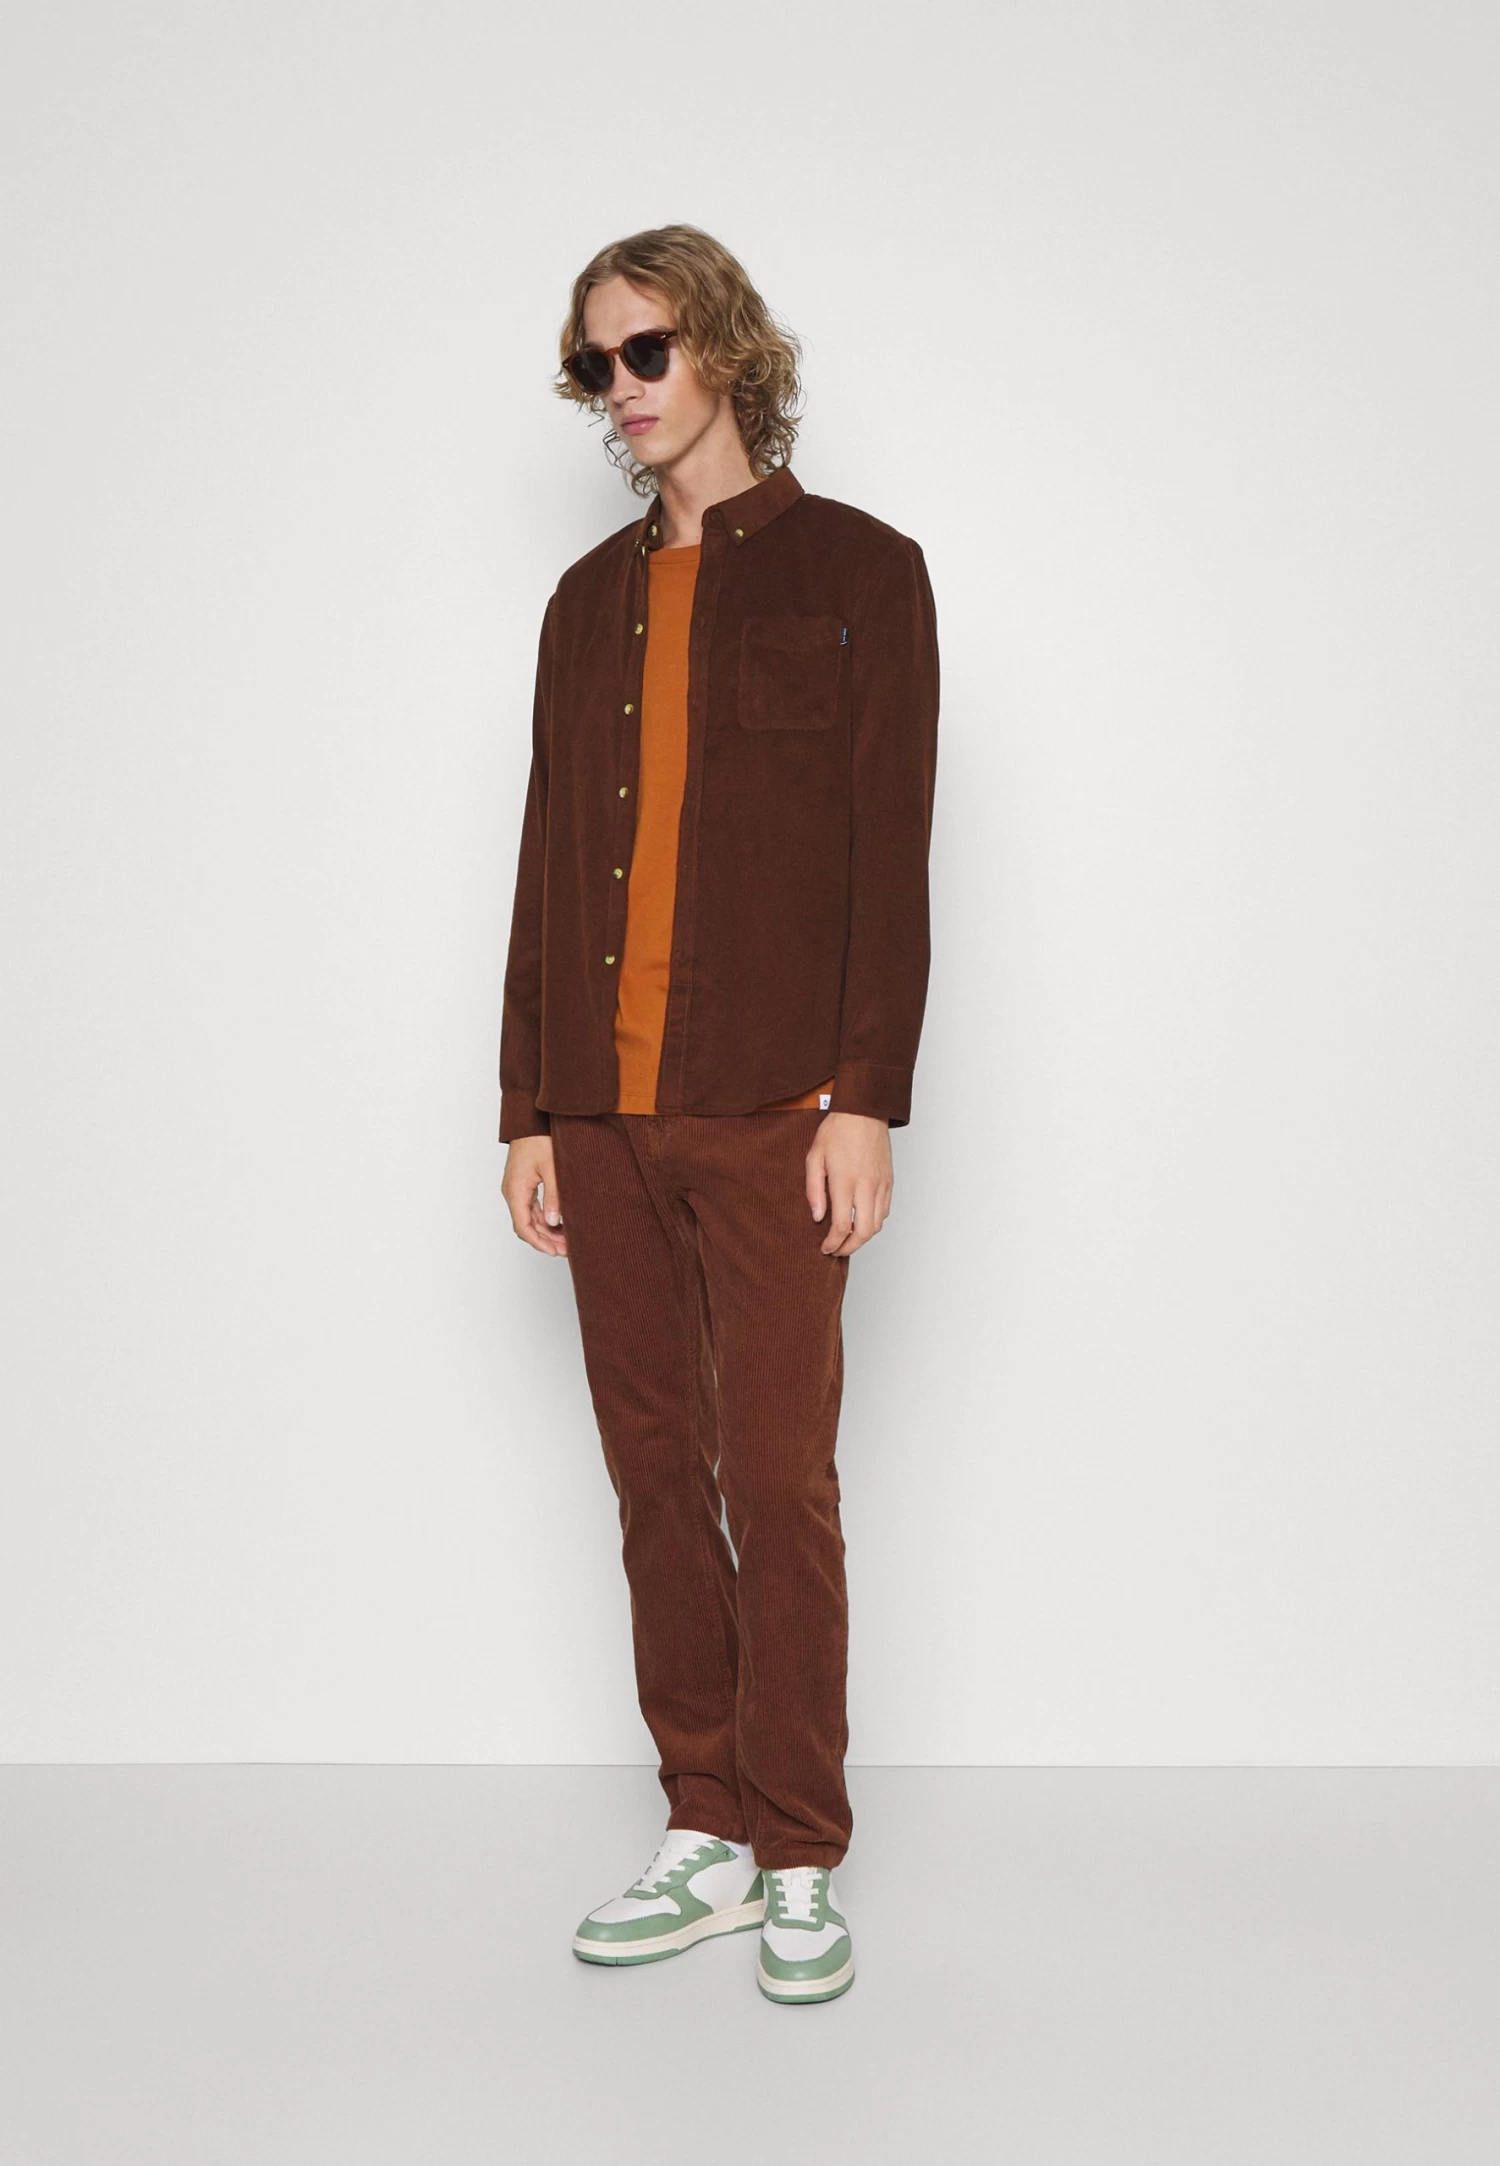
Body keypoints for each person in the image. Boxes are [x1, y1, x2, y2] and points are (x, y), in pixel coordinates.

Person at [496, 223, 939, 2005]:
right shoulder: (581, 603)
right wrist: (528, 1104)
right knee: (655, 1473)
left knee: (777, 1471)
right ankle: (706, 1821)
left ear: (730, 351)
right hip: (601, 1110)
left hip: (772, 1106)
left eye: (647, 349)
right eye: (592, 363)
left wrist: (867, 1098)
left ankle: (800, 1846)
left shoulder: (862, 573)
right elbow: (544, 859)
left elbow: (890, 857)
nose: (619, 388)